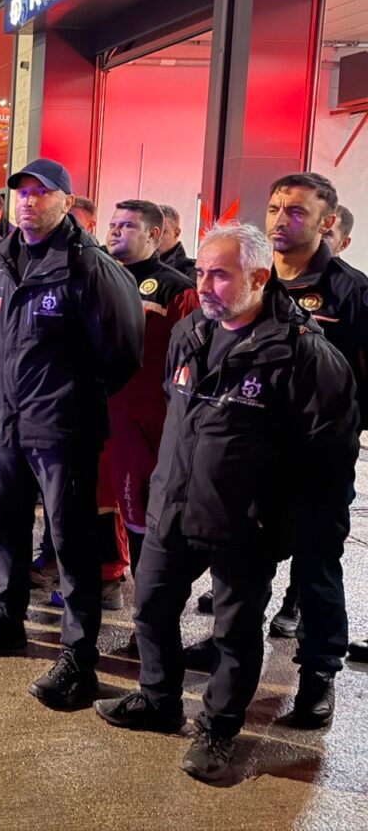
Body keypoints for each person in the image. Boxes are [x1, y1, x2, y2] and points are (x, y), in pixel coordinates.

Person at [94, 223, 358, 782]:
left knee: (234, 635)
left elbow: (328, 461)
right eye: (200, 272)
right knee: (152, 610)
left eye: (221, 274)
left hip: (246, 522)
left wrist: (288, 525)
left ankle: (218, 728)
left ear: (259, 278)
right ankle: (160, 700)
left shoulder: (306, 356)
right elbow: (176, 416)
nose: (205, 285)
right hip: (175, 506)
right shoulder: (191, 331)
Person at [0, 158, 144, 714]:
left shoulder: (89, 267)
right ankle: (7, 619)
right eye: (21, 194)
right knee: (6, 531)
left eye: (41, 193)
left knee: (72, 545)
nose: (28, 202)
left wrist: (71, 398)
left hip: (63, 429)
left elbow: (122, 352)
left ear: (65, 200)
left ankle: (79, 658)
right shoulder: (0, 262)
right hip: (7, 426)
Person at [261, 173, 368, 722]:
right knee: (242, 563)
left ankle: (319, 674)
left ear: (328, 222)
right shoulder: (252, 278)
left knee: (318, 567)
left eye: (297, 212)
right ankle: (231, 647)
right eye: (275, 208)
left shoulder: (352, 292)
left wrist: (332, 433)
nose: (281, 220)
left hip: (317, 463)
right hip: (248, 457)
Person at [103, 200, 199, 645]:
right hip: (102, 424)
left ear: (155, 236)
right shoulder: (98, 276)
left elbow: (190, 367)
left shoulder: (175, 290)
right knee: (102, 512)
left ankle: (155, 630)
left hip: (151, 432)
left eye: (127, 226)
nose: (115, 231)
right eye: (113, 224)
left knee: (149, 531)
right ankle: (106, 584)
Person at [158, 204, 197, 279]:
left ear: (176, 233)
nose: (154, 237)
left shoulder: (197, 272)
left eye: (162, 232)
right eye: (151, 232)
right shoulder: (135, 267)